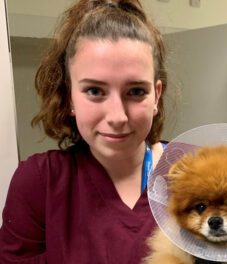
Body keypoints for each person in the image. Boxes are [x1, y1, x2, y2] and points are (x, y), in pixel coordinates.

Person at [0, 0, 168, 263]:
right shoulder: (40, 184)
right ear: (68, 97)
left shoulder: (196, 171)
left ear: (156, 95)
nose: (117, 116)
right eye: (94, 91)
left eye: (136, 92)